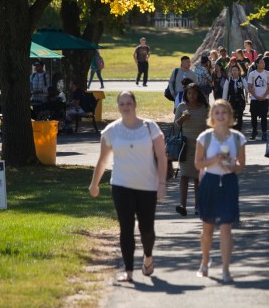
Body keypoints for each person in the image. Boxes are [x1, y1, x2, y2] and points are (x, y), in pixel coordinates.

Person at [88, 91, 167, 283]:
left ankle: (148, 257)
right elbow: (103, 160)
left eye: (128, 102)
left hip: (147, 185)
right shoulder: (111, 131)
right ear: (118, 106)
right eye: (122, 103)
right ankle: (129, 271)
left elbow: (162, 157)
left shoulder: (150, 127)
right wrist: (94, 183)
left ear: (135, 104)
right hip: (121, 185)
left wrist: (161, 183)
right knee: (126, 227)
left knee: (147, 228)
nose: (125, 106)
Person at [194, 99, 246, 283]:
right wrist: (214, 160)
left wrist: (232, 166)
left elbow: (241, 165)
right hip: (210, 181)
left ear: (230, 115)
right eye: (217, 113)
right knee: (207, 227)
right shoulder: (205, 137)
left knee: (226, 227)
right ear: (212, 116)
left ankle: (225, 269)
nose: (221, 116)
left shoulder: (238, 138)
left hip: (229, 182)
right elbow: (198, 164)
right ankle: (205, 262)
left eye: (224, 112)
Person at [174, 84, 210, 217]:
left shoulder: (205, 108)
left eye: (194, 93)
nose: (191, 96)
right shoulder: (182, 107)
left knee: (198, 178)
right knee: (184, 175)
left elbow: (211, 125)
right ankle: (182, 205)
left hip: (201, 145)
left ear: (198, 94)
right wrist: (182, 119)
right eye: (189, 93)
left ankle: (198, 206)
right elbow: (175, 126)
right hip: (185, 145)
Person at [247, 56, 269, 141]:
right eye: (261, 62)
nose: (263, 64)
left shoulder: (267, 73)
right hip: (254, 99)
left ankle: (264, 133)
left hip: (264, 99)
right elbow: (249, 87)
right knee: (253, 117)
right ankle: (254, 130)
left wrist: (264, 96)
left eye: (264, 62)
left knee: (264, 117)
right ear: (257, 64)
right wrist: (256, 96)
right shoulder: (252, 74)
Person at [222, 65, 247, 132]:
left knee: (240, 116)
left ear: (238, 71)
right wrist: (224, 101)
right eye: (233, 70)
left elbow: (247, 88)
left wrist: (250, 94)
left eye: (236, 70)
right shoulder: (229, 80)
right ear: (231, 72)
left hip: (240, 100)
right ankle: (232, 130)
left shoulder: (242, 79)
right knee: (232, 116)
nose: (234, 72)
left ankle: (239, 130)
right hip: (231, 100)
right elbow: (225, 90)